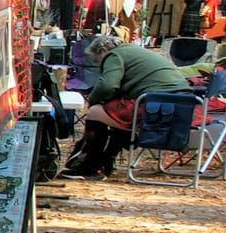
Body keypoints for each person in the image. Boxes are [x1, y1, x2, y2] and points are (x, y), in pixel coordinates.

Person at [64, 33, 191, 179]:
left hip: (156, 106)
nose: (100, 66)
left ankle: (89, 166)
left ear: (103, 50)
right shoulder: (133, 51)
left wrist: (93, 100)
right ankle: (107, 160)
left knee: (95, 112)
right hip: (183, 106)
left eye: (98, 61)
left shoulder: (114, 55)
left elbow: (107, 86)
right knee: (112, 115)